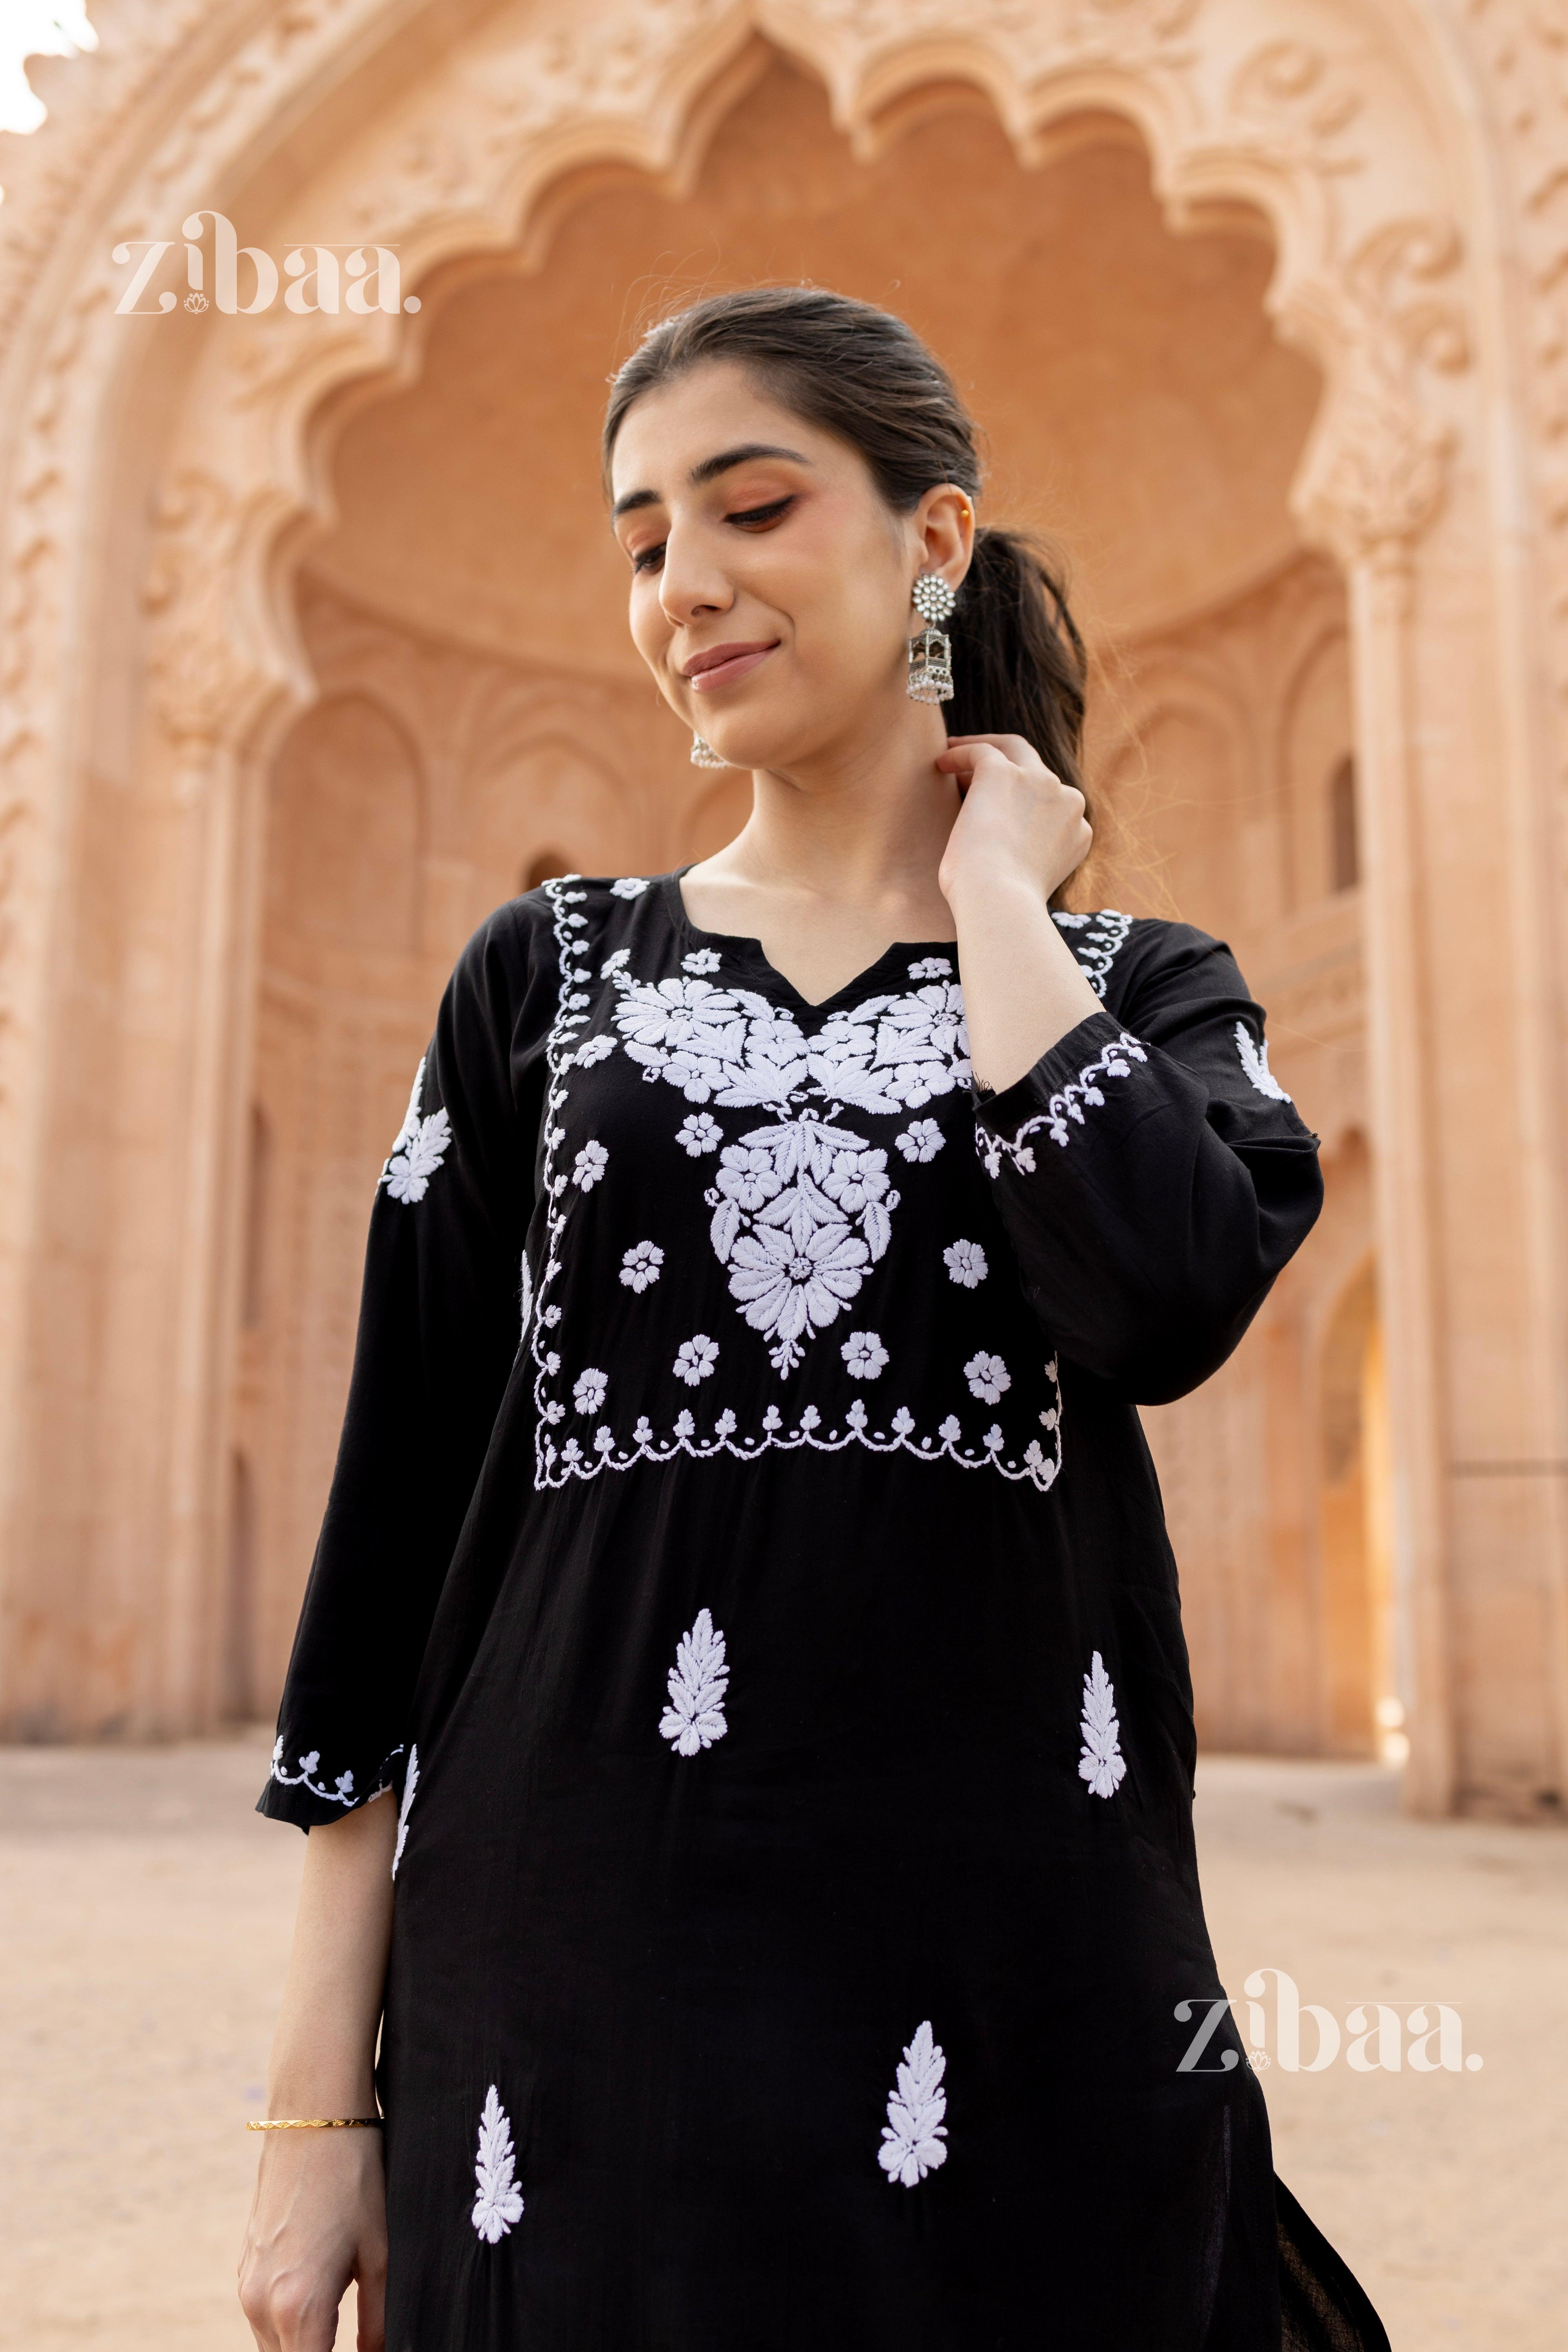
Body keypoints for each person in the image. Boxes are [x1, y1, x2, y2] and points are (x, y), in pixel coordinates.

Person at [239, 287, 1389, 2351]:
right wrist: (316, 2104)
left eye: (751, 510)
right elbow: (397, 1532)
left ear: (931, 543)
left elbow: (1170, 1296)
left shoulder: (1140, 984)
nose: (687, 585)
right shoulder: (545, 976)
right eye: (644, 541)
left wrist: (1009, 912)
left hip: (1017, 1962)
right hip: (568, 1998)